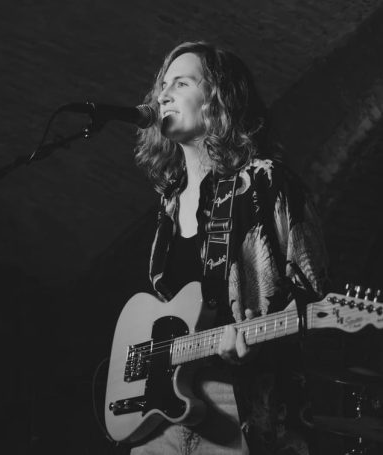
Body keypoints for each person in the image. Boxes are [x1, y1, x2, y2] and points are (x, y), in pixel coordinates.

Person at [132, 41, 327, 455]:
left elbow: (314, 299)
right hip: (165, 415)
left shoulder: (268, 182)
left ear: (219, 100)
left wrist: (257, 340)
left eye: (181, 83)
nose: (163, 95)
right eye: (163, 85)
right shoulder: (169, 202)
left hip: (243, 411)